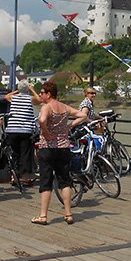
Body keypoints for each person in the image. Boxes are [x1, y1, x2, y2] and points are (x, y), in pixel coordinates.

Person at [32, 81, 87, 225]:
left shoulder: (46, 107)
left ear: (48, 94)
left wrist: (45, 132)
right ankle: (68, 214)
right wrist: (69, 126)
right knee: (65, 181)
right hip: (64, 147)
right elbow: (82, 115)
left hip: (48, 148)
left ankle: (43, 216)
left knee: (46, 181)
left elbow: (42, 120)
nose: (41, 95)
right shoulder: (64, 107)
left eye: (42, 93)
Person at [4, 79, 41, 186]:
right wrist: (32, 89)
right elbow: (39, 100)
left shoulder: (14, 98)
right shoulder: (30, 98)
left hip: (12, 129)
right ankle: (24, 177)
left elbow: (6, 96)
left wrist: (17, 91)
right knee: (25, 154)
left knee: (15, 153)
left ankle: (14, 175)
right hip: (25, 130)